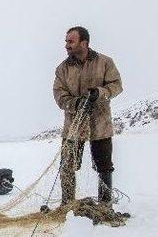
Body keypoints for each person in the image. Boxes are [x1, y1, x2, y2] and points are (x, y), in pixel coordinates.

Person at [52, 26, 123, 207]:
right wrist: (74, 104)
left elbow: (116, 86)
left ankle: (105, 205)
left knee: (104, 166)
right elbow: (59, 95)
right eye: (66, 41)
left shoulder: (105, 62)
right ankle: (67, 205)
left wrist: (99, 93)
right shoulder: (62, 69)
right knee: (67, 167)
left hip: (100, 125)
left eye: (71, 41)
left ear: (84, 43)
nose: (66, 45)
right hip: (73, 127)